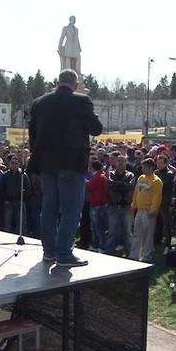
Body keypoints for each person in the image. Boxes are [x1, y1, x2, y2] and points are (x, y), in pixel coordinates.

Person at [28, 69, 103, 267]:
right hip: (71, 163)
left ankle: (49, 252)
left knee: (49, 208)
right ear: (75, 85)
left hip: (45, 164)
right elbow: (97, 129)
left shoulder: (39, 103)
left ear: (57, 82)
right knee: (71, 209)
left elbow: (32, 136)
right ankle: (63, 254)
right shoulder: (81, 101)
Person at [130, 158, 163, 262]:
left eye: (145, 167)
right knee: (137, 233)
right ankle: (134, 255)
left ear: (151, 167)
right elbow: (136, 192)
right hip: (139, 209)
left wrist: (153, 210)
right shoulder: (141, 178)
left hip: (148, 211)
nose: (142, 169)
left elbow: (157, 197)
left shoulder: (156, 181)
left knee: (147, 234)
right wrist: (133, 205)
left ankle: (146, 256)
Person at [106, 155, 135, 254]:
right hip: (113, 206)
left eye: (122, 161)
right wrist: (123, 184)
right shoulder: (110, 173)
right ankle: (109, 251)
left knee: (127, 232)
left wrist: (117, 186)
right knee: (111, 231)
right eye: (118, 161)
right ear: (115, 163)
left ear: (126, 163)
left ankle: (131, 252)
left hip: (126, 206)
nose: (120, 163)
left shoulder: (130, 175)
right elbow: (110, 184)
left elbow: (130, 186)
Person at [0, 155, 30, 234]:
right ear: (9, 164)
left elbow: (28, 189)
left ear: (19, 164)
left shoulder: (23, 175)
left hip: (19, 203)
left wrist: (23, 199)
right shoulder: (5, 175)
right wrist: (5, 199)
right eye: (12, 163)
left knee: (21, 224)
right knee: (7, 223)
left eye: (16, 163)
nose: (14, 164)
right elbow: (1, 189)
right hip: (8, 203)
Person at [85, 160, 108, 252]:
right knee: (96, 227)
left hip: (97, 204)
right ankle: (96, 245)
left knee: (98, 227)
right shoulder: (101, 175)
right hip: (99, 203)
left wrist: (84, 180)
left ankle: (101, 246)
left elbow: (89, 186)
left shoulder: (98, 177)